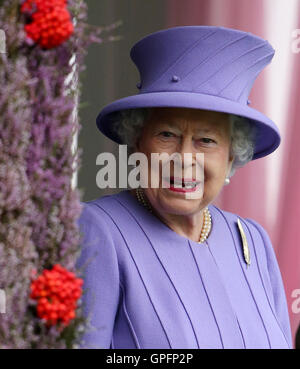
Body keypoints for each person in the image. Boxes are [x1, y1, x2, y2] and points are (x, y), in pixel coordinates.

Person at [76, 26, 293, 349]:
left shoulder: (252, 241)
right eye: (167, 135)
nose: (184, 158)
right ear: (137, 142)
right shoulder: (97, 230)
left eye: (206, 140)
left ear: (231, 154)